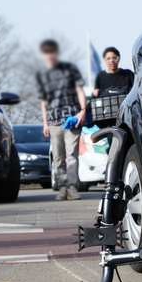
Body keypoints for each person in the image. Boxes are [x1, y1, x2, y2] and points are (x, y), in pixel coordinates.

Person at [36, 38, 87, 199]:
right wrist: (44, 123)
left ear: (57, 53)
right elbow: (43, 102)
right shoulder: (42, 75)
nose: (50, 56)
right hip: (53, 121)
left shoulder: (70, 69)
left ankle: (72, 187)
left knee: (72, 155)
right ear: (44, 55)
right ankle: (62, 188)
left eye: (52, 52)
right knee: (58, 157)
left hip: (72, 118)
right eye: (46, 53)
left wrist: (83, 110)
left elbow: (80, 90)